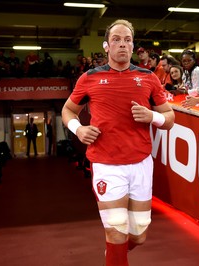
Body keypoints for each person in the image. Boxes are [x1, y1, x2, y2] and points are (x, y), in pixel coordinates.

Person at [61, 19, 174, 266]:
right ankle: (115, 252)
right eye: (116, 40)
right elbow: (68, 110)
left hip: (141, 163)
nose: (122, 44)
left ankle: (114, 251)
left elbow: (169, 118)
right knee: (116, 229)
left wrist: (151, 116)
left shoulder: (148, 78)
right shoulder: (89, 78)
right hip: (106, 163)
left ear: (133, 47)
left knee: (139, 234)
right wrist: (78, 129)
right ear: (106, 46)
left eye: (127, 40)